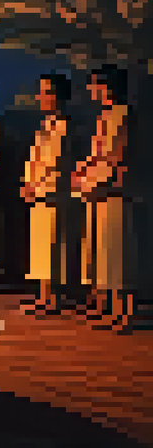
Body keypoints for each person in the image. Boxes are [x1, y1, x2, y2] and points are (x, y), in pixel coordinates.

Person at [75, 64, 137, 332]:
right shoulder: (104, 117)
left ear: (108, 86)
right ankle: (108, 307)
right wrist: (83, 172)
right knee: (102, 251)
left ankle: (126, 312)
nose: (92, 91)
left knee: (119, 253)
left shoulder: (123, 115)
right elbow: (98, 153)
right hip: (98, 188)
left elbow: (117, 153)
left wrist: (99, 175)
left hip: (114, 189)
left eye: (96, 85)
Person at [22, 73, 71, 315]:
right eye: (41, 92)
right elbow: (34, 159)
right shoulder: (45, 125)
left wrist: (38, 184)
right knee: (41, 247)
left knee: (53, 245)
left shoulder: (64, 127)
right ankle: (43, 295)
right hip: (38, 191)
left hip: (52, 192)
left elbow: (57, 163)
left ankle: (54, 297)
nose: (41, 97)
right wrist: (27, 183)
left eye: (47, 92)